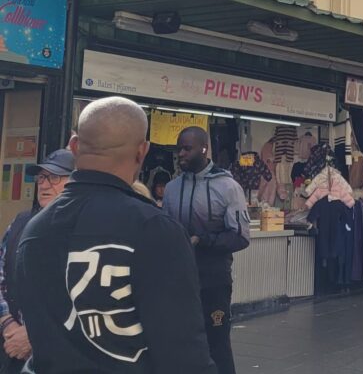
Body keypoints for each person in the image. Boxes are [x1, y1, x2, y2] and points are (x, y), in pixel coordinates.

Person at [16, 96, 215, 373]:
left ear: (74, 146)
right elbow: (183, 353)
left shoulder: (33, 230)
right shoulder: (155, 230)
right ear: (142, 151)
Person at [162, 127, 250, 374]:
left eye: (186, 148)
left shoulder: (228, 187)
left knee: (217, 344)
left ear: (203, 148)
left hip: (214, 281)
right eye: (178, 148)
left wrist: (205, 240)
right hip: (179, 281)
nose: (181, 154)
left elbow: (241, 237)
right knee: (182, 343)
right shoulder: (171, 188)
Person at [0, 150, 74, 372]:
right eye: (41, 177)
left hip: (59, 356)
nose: (44, 185)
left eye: (54, 177)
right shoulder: (21, 222)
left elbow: (81, 298)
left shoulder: (84, 229)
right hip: (9, 345)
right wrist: (7, 322)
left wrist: (34, 334)